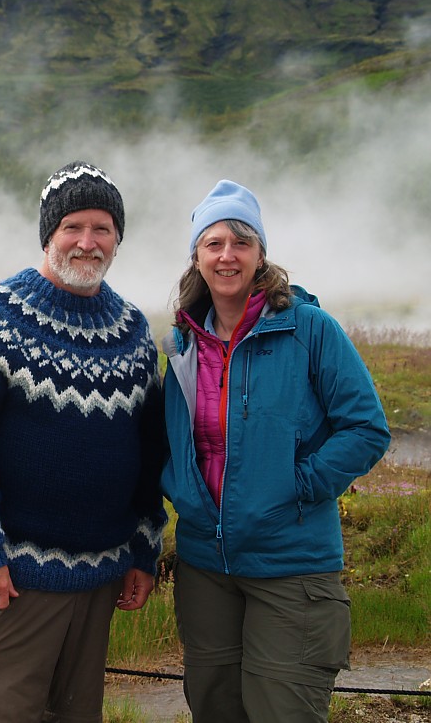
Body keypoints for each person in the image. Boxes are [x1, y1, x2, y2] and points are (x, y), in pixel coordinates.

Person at [0, 161, 167, 722]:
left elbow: (149, 454)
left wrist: (144, 550)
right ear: (48, 235)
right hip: (13, 577)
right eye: (73, 227)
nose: (88, 242)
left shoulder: (133, 332)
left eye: (102, 228)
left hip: (101, 578)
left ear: (117, 240)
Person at [160, 179, 392, 723]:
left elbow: (366, 428)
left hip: (291, 565)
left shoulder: (310, 329)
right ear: (196, 256)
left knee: (283, 711)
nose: (227, 255)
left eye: (241, 242)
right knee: (214, 708)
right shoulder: (181, 343)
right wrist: (179, 496)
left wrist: (296, 486)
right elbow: (165, 443)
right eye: (214, 243)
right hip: (205, 566)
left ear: (260, 254)